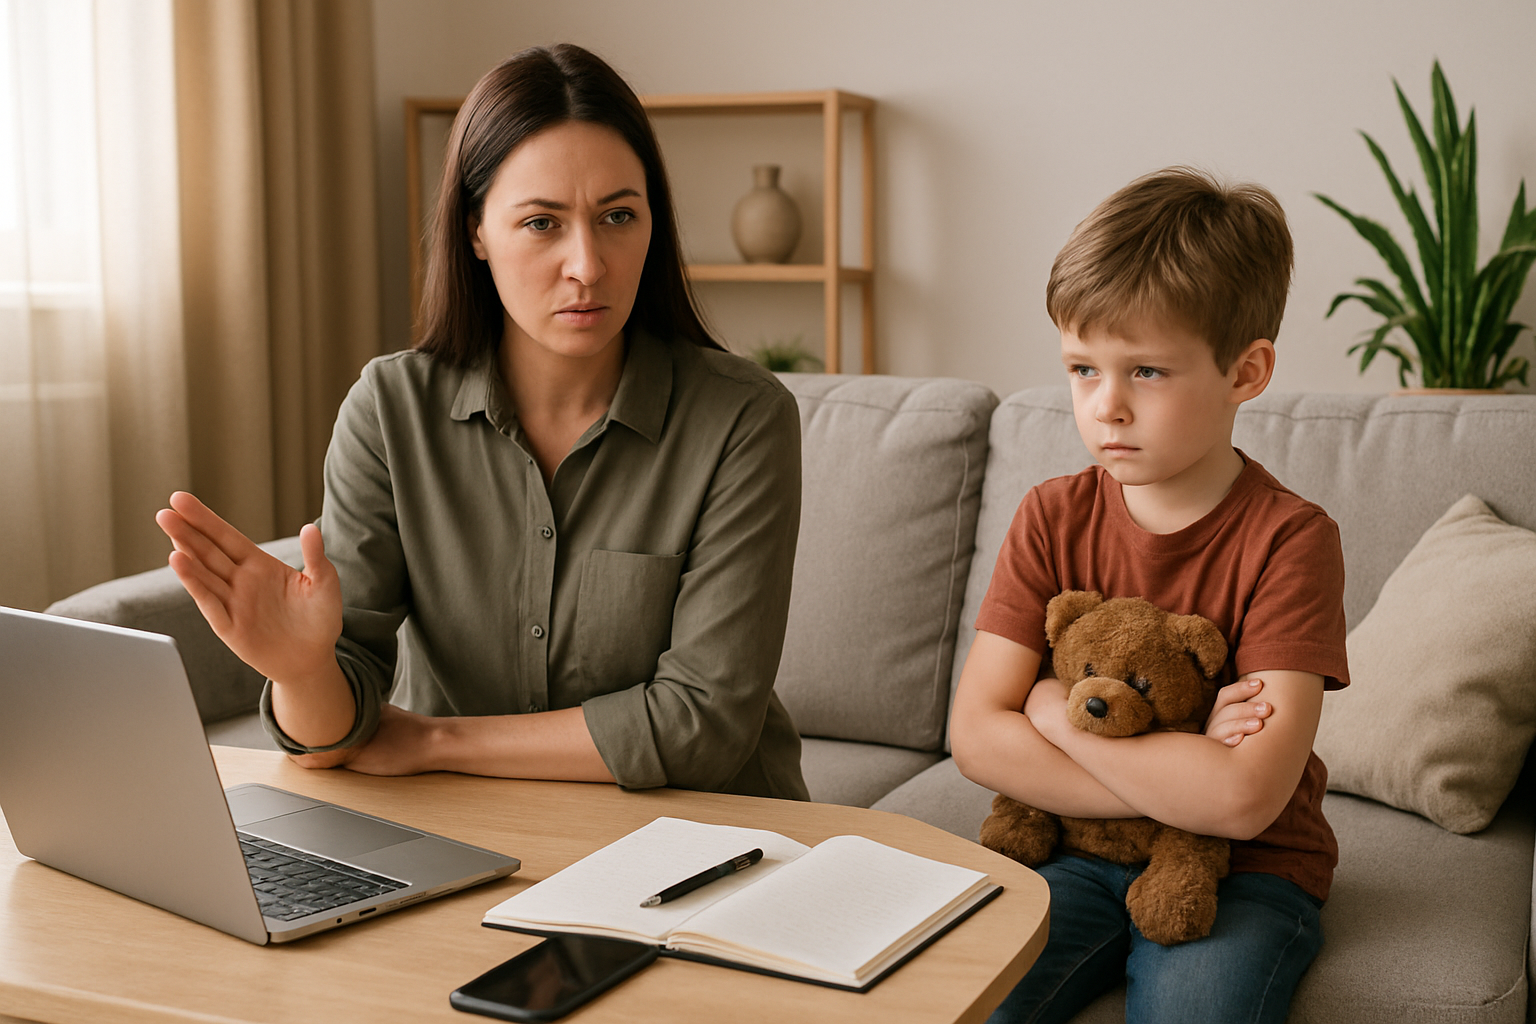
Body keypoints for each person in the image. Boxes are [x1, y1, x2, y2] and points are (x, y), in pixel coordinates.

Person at [155, 44, 809, 800]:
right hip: (478, 828)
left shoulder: (744, 419)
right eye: (542, 223)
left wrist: (435, 740)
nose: (588, 265)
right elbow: (338, 732)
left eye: (618, 216)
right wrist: (303, 671)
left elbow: (703, 725)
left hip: (707, 833)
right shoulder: (390, 411)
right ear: (475, 232)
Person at [949, 167, 1348, 1024]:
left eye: (1148, 372)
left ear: (1246, 371)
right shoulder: (1051, 515)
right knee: (965, 998)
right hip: (1073, 849)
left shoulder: (1292, 540)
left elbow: (1242, 800)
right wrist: (1188, 762)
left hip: (1245, 869)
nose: (1107, 407)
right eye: (1082, 368)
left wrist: (1051, 712)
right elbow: (976, 736)